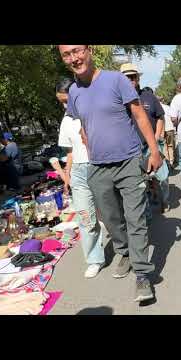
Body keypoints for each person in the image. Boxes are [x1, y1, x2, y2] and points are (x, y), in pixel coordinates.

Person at [58, 45, 162, 302]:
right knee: (111, 218)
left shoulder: (116, 80)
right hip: (98, 166)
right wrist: (90, 145)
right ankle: (124, 250)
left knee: (135, 218)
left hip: (128, 161)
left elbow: (139, 115)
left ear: (89, 50)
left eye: (77, 51)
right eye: (67, 55)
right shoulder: (73, 92)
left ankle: (141, 275)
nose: (74, 58)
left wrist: (154, 150)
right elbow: (83, 124)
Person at [54, 78, 105, 279]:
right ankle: (94, 259)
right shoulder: (66, 121)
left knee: (112, 214)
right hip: (79, 173)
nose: (65, 105)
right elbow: (70, 153)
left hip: (100, 167)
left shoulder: (94, 112)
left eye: (67, 100)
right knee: (85, 217)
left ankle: (126, 249)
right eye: (61, 102)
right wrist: (67, 177)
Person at [120, 63, 170, 213]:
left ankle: (164, 201)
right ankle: (146, 208)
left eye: (133, 77)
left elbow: (160, 117)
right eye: (126, 77)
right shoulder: (117, 100)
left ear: (138, 78)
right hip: (131, 149)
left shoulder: (148, 96)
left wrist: (156, 137)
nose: (130, 80)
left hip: (151, 145)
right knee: (139, 182)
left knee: (162, 177)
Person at [158, 96, 176, 167]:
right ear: (162, 100)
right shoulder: (168, 107)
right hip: (170, 128)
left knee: (164, 146)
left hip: (161, 130)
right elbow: (173, 118)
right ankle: (171, 161)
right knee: (170, 146)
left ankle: (167, 162)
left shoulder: (156, 107)